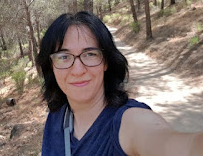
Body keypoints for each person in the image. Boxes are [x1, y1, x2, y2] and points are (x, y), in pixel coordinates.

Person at [37, 11, 203, 156]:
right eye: (64, 57)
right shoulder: (57, 117)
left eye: (90, 54)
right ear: (51, 66)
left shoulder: (130, 123)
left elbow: (177, 146)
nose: (78, 70)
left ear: (106, 62)